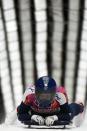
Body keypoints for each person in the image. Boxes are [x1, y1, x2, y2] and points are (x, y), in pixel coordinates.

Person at [17, 76, 84, 126]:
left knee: (71, 110)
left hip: (56, 112)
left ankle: (79, 106)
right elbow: (20, 114)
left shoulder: (60, 95)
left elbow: (68, 115)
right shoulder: (29, 94)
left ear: (54, 93)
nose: (45, 98)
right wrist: (32, 117)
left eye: (48, 95)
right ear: (36, 92)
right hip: (34, 111)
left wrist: (55, 117)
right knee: (19, 109)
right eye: (42, 95)